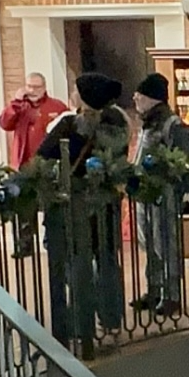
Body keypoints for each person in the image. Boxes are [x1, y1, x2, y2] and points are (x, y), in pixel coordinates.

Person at [38, 74, 128, 347]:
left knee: (76, 264)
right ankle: (111, 319)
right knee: (107, 259)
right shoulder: (118, 125)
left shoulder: (69, 125)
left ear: (85, 96)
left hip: (76, 206)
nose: (72, 93)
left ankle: (81, 324)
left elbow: (43, 156)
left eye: (76, 89)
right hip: (107, 204)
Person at [131, 73, 189, 317]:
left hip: (164, 193)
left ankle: (172, 295)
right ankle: (154, 289)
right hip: (145, 192)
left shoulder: (172, 125)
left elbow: (181, 160)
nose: (135, 98)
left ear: (152, 98)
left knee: (165, 244)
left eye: (140, 94)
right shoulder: (147, 122)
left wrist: (167, 180)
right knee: (148, 243)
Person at [0, 73, 69, 256]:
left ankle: (51, 242)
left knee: (50, 205)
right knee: (23, 206)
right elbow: (5, 123)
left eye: (37, 87)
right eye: (29, 86)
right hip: (23, 164)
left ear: (44, 88)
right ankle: (24, 244)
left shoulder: (57, 106)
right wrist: (15, 103)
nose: (32, 91)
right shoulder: (19, 107)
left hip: (48, 165)